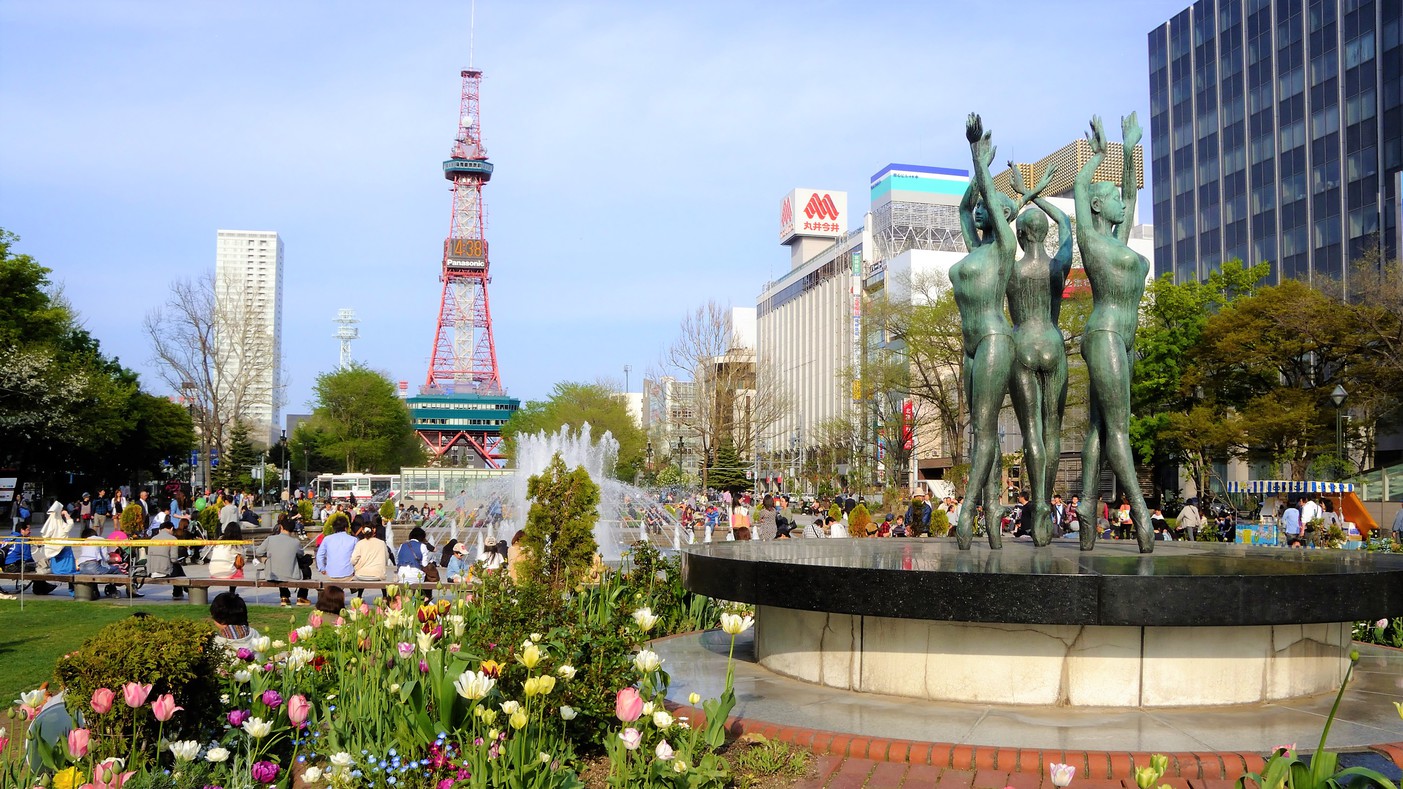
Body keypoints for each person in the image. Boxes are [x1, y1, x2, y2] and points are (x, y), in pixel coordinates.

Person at [1074, 113, 1153, 553]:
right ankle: (1140, 511)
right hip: (1103, 333)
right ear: (1099, 208)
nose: (1124, 203)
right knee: (1119, 429)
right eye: (1115, 200)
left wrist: (1128, 148)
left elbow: (1129, 191)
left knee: (1101, 429)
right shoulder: (1092, 240)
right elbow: (1084, 190)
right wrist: (1099, 156)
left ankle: (1087, 506)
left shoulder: (1119, 243)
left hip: (1122, 341)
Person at [953, 115, 1031, 551]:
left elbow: (984, 209)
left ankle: (968, 515)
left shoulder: (1003, 248)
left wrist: (983, 168)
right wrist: (973, 162)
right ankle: (992, 527)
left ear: (1004, 216)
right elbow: (963, 209)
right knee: (980, 436)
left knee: (984, 432)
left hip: (995, 339)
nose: (981, 207)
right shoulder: (975, 248)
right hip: (970, 347)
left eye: (989, 203)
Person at [257, 515, 309, 606]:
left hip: (272, 575)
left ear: (281, 527)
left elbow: (258, 552)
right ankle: (302, 597)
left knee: (279, 566)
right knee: (305, 568)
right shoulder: (295, 542)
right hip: (291, 575)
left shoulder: (270, 539)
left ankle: (284, 597)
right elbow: (301, 554)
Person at [144, 519, 187, 600]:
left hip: (151, 571)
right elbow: (173, 559)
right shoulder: (173, 539)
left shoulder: (153, 539)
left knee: (178, 569)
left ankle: (183, 589)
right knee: (178, 568)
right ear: (171, 528)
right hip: (165, 571)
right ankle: (179, 591)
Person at [316, 517, 357, 581]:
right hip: (348, 574)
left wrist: (322, 568)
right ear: (346, 528)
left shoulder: (327, 539)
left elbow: (319, 555)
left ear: (333, 528)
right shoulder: (353, 539)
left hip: (331, 574)